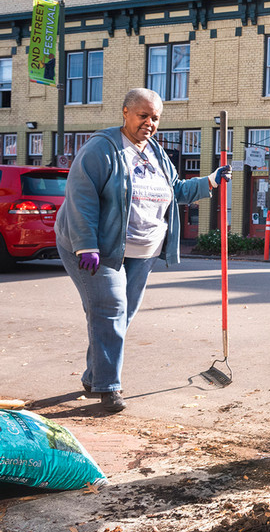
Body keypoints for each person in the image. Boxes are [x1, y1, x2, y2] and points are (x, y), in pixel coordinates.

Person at [56, 88, 230, 414]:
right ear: (125, 112)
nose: (149, 123)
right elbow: (81, 197)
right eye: (143, 115)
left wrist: (210, 181)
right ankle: (108, 389)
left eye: (155, 118)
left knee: (122, 315)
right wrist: (86, 245)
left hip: (144, 249)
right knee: (111, 307)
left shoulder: (156, 153)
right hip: (100, 248)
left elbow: (176, 190)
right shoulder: (102, 148)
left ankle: (94, 375)